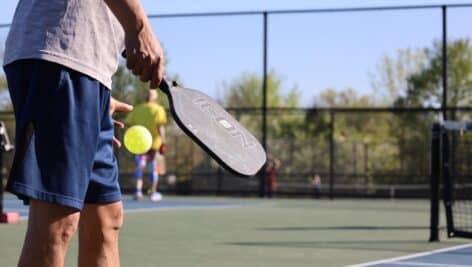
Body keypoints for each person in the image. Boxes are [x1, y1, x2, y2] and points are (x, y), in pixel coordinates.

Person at [3, 0, 164, 266]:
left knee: (106, 220)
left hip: (89, 70)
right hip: (61, 56)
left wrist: (98, 100)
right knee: (59, 221)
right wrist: (139, 28)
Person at [126, 89, 167, 202]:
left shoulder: (137, 109)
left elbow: (129, 125)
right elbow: (160, 127)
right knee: (153, 169)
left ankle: (138, 192)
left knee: (140, 167)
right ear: (155, 98)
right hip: (154, 145)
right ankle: (153, 193)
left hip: (140, 146)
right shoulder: (158, 109)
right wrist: (163, 142)